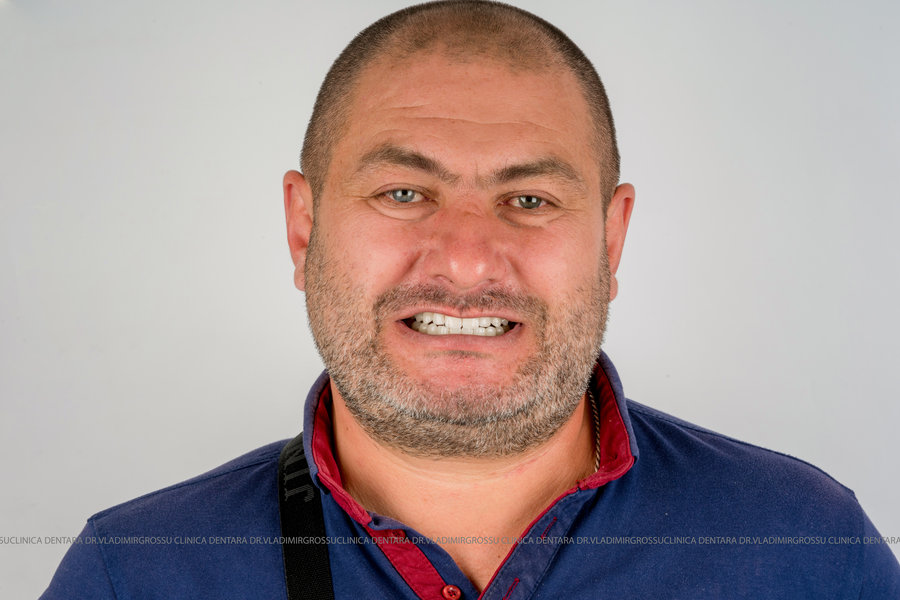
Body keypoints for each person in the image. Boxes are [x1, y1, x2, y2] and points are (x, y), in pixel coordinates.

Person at [41, 1, 899, 598]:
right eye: (403, 193)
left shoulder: (809, 548)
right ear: (303, 228)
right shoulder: (133, 575)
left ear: (610, 240)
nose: (464, 258)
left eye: (529, 199)